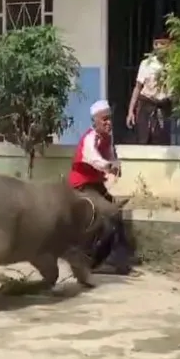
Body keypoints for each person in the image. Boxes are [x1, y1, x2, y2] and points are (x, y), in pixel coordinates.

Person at [68, 99, 134, 275]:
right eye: (104, 119)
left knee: (115, 214)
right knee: (112, 212)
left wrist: (115, 165)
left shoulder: (107, 138)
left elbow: (110, 156)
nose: (108, 122)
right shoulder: (90, 138)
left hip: (95, 185)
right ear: (94, 122)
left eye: (109, 118)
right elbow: (94, 159)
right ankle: (104, 261)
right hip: (81, 186)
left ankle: (110, 259)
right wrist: (109, 166)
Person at [126, 33, 172, 145]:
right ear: (154, 46)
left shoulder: (172, 65)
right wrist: (130, 111)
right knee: (144, 139)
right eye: (157, 44)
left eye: (163, 44)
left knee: (162, 141)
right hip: (146, 106)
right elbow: (137, 88)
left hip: (164, 107)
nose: (160, 47)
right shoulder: (146, 64)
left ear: (169, 46)